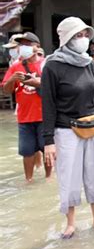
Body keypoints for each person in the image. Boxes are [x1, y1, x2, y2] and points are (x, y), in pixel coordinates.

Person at [41, 16, 94, 239]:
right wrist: (48, 141)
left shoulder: (90, 64)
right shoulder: (52, 66)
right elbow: (48, 105)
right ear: (66, 39)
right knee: (69, 176)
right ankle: (71, 224)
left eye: (85, 35)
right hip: (66, 130)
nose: (83, 40)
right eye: (77, 36)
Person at [2, 32, 52, 181]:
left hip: (45, 116)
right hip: (25, 117)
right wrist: (11, 80)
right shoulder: (16, 67)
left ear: (37, 46)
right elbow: (6, 90)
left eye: (27, 44)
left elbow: (56, 88)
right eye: (22, 44)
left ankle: (49, 178)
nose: (23, 48)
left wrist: (38, 82)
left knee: (47, 149)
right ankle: (28, 180)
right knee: (27, 152)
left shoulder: (47, 64)